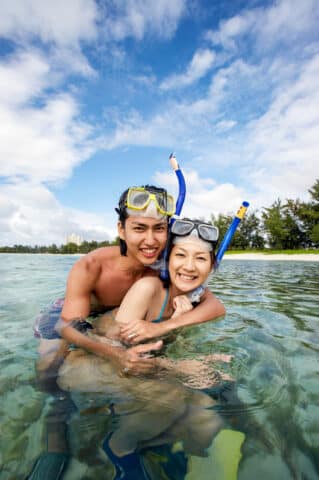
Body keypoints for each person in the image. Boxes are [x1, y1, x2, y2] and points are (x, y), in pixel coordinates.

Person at [56, 218, 230, 472]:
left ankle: (152, 445)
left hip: (136, 366)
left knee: (208, 417)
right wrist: (177, 367)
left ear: (212, 266)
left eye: (201, 259)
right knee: (171, 397)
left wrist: (174, 326)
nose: (189, 267)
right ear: (167, 259)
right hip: (88, 363)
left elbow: (217, 308)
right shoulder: (148, 288)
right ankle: (118, 447)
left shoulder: (192, 295)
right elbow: (124, 356)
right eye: (180, 255)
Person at [36, 186, 225, 377]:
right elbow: (67, 327)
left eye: (159, 229)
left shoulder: (168, 264)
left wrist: (165, 327)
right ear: (122, 229)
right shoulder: (92, 266)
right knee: (50, 367)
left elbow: (214, 305)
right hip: (65, 316)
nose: (150, 241)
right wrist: (116, 355)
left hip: (113, 317)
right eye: (139, 228)